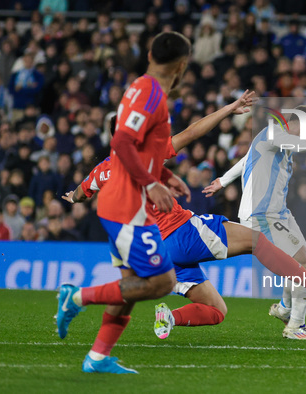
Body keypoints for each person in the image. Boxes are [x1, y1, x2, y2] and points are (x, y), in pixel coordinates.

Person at [66, 101, 306, 343]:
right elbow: (191, 133)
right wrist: (227, 109)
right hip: (181, 232)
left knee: (216, 310)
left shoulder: (101, 171)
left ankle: (169, 317)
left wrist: (73, 197)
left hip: (159, 253)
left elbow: (79, 194)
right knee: (256, 241)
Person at [56, 32, 194, 375]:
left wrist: (163, 174)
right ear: (181, 66)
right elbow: (121, 140)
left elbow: (137, 147)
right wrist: (151, 183)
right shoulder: (152, 94)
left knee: (131, 285)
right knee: (162, 281)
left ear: (149, 54)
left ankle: (98, 358)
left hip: (124, 202)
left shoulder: (139, 86)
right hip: (128, 206)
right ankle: (75, 297)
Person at [204, 105, 306, 340]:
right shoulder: (272, 133)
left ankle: (285, 307)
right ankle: (295, 326)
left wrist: (222, 180)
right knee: (304, 265)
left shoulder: (275, 142)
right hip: (261, 215)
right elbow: (299, 143)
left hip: (279, 214)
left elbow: (245, 160)